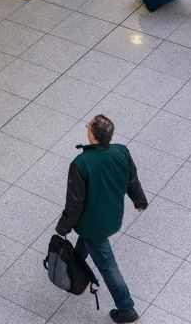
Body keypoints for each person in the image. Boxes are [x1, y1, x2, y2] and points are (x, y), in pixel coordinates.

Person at [56, 115, 147, 324]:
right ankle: (76, 265)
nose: (86, 126)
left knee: (107, 265)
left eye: (88, 126)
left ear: (92, 135)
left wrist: (63, 227)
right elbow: (132, 178)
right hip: (113, 216)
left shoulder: (81, 163)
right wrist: (139, 200)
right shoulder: (122, 151)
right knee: (88, 243)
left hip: (93, 225)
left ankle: (126, 308)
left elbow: (75, 203)